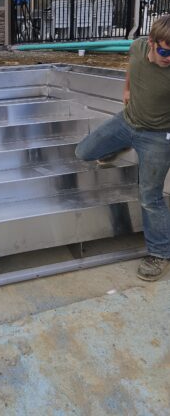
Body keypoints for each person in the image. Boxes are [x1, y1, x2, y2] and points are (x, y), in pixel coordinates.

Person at [75, 15, 170, 282]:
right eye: (164, 51)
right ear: (151, 43)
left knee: (150, 196)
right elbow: (133, 66)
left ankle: (160, 253)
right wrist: (127, 89)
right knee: (83, 153)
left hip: (158, 136)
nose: (168, 57)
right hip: (127, 122)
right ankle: (116, 147)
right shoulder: (138, 47)